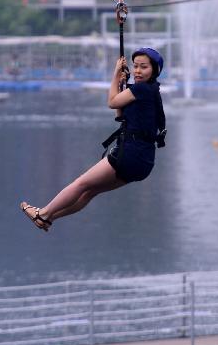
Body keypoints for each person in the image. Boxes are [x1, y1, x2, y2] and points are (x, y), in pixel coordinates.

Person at [20, 48, 167, 232]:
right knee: (90, 191)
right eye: (135, 66)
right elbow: (120, 113)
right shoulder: (152, 91)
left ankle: (43, 213)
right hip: (143, 162)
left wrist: (115, 74)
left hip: (130, 154)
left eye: (143, 67)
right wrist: (122, 84)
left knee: (81, 184)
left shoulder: (142, 89)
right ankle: (49, 218)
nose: (137, 70)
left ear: (154, 70)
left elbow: (111, 102)